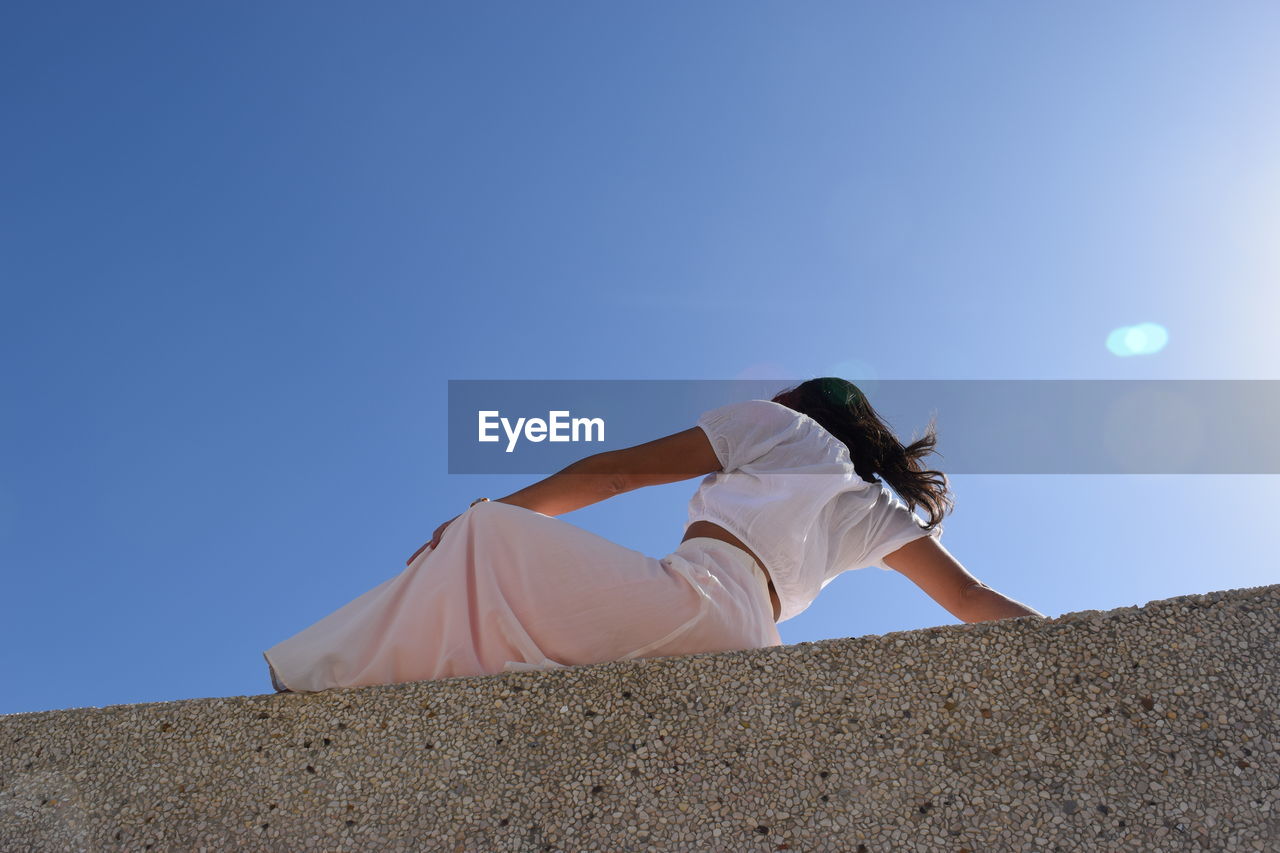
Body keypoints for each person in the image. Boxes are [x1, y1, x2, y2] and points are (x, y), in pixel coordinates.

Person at [263, 377, 1042, 694]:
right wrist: (1063, 647)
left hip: (692, 599)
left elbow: (616, 475)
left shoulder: (778, 426)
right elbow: (970, 596)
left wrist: (493, 509)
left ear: (800, 401)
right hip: (753, 643)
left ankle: (321, 677)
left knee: (483, 534)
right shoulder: (874, 506)